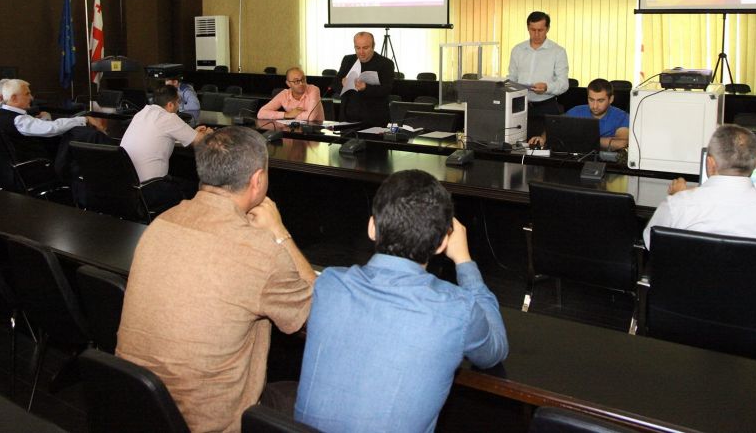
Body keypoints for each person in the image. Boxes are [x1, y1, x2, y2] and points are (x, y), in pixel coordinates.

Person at [117, 126, 316, 432]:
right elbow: (316, 313)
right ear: (258, 180)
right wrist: (279, 233)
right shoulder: (261, 252)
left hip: (137, 408)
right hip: (209, 423)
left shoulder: (161, 223)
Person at [294, 169, 508, 432]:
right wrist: (464, 260)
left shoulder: (329, 285)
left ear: (372, 227)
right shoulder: (458, 310)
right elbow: (495, 350)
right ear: (443, 243)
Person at [643, 124, 756, 272]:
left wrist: (678, 197)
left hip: (685, 304)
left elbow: (652, 243)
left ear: (710, 163)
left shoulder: (677, 205)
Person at [119, 85, 212, 210]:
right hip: (151, 189)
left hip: (129, 188)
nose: (179, 106)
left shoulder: (141, 114)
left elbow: (162, 135)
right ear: (170, 105)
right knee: (196, 189)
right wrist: (209, 134)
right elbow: (200, 141)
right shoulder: (168, 117)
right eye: (178, 102)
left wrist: (192, 133)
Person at [0, 78, 107, 162]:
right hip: (35, 167)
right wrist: (84, 119)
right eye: (27, 94)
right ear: (14, 98)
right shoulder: (18, 120)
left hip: (11, 168)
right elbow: (53, 128)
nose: (31, 97)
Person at [507, 11, 569, 134]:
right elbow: (512, 78)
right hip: (519, 106)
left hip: (546, 107)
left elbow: (563, 84)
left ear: (547, 29)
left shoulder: (558, 52)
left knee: (544, 143)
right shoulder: (518, 50)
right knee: (516, 140)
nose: (536, 34)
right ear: (528, 28)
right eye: (532, 30)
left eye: (540, 30)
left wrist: (547, 88)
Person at [529, 78, 629, 150]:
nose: (595, 105)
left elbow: (622, 143)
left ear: (611, 99)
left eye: (600, 100)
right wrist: (542, 139)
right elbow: (554, 126)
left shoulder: (622, 117)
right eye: (591, 100)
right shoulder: (577, 111)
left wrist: (581, 139)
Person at [333, 32, 395, 127]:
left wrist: (365, 87)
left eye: (365, 48)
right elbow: (335, 84)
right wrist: (343, 83)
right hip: (347, 119)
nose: (361, 52)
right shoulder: (348, 60)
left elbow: (386, 90)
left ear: (373, 46)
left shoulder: (386, 63)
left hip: (374, 120)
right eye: (357, 48)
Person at [258, 67, 325, 123]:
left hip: (315, 130)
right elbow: (261, 113)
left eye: (303, 79)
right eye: (296, 81)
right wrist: (287, 114)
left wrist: (292, 116)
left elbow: (311, 117)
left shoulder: (314, 90)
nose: (301, 83)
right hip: (292, 130)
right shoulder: (284, 94)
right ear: (288, 84)